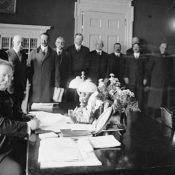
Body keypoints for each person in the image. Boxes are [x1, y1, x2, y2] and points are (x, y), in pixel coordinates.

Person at [0, 60, 39, 175]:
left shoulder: (3, 93)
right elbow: (1, 123)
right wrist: (27, 126)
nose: (7, 80)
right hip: (2, 150)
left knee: (37, 152)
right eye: (3, 75)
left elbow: (14, 115)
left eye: (10, 76)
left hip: (9, 143)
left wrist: (28, 118)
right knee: (17, 171)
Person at [27, 32, 60, 104]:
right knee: (35, 107)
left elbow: (57, 70)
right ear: (40, 40)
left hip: (48, 84)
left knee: (47, 107)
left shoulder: (54, 53)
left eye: (45, 39)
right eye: (42, 39)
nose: (43, 41)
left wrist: (57, 84)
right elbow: (28, 69)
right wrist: (29, 82)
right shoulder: (33, 52)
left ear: (48, 40)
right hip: (36, 84)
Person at [147, 42, 173, 117]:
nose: (163, 49)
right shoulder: (154, 55)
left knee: (163, 100)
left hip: (165, 82)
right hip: (156, 82)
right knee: (154, 100)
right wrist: (155, 75)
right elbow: (149, 68)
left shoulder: (169, 57)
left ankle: (162, 117)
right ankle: (153, 116)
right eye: (162, 47)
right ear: (159, 47)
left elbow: (170, 69)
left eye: (165, 48)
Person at [6, 35, 28, 118]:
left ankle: (19, 121)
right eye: (18, 42)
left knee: (18, 107)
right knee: (10, 107)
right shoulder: (7, 54)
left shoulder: (24, 55)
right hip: (10, 86)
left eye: (22, 43)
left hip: (21, 85)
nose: (20, 44)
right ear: (13, 43)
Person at [124, 43, 148, 110]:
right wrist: (125, 77)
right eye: (134, 47)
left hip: (140, 80)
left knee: (140, 96)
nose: (135, 48)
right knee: (131, 95)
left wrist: (145, 78)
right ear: (132, 48)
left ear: (140, 48)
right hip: (131, 79)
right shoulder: (129, 57)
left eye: (137, 47)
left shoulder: (144, 57)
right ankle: (132, 110)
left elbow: (146, 69)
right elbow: (126, 67)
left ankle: (139, 110)